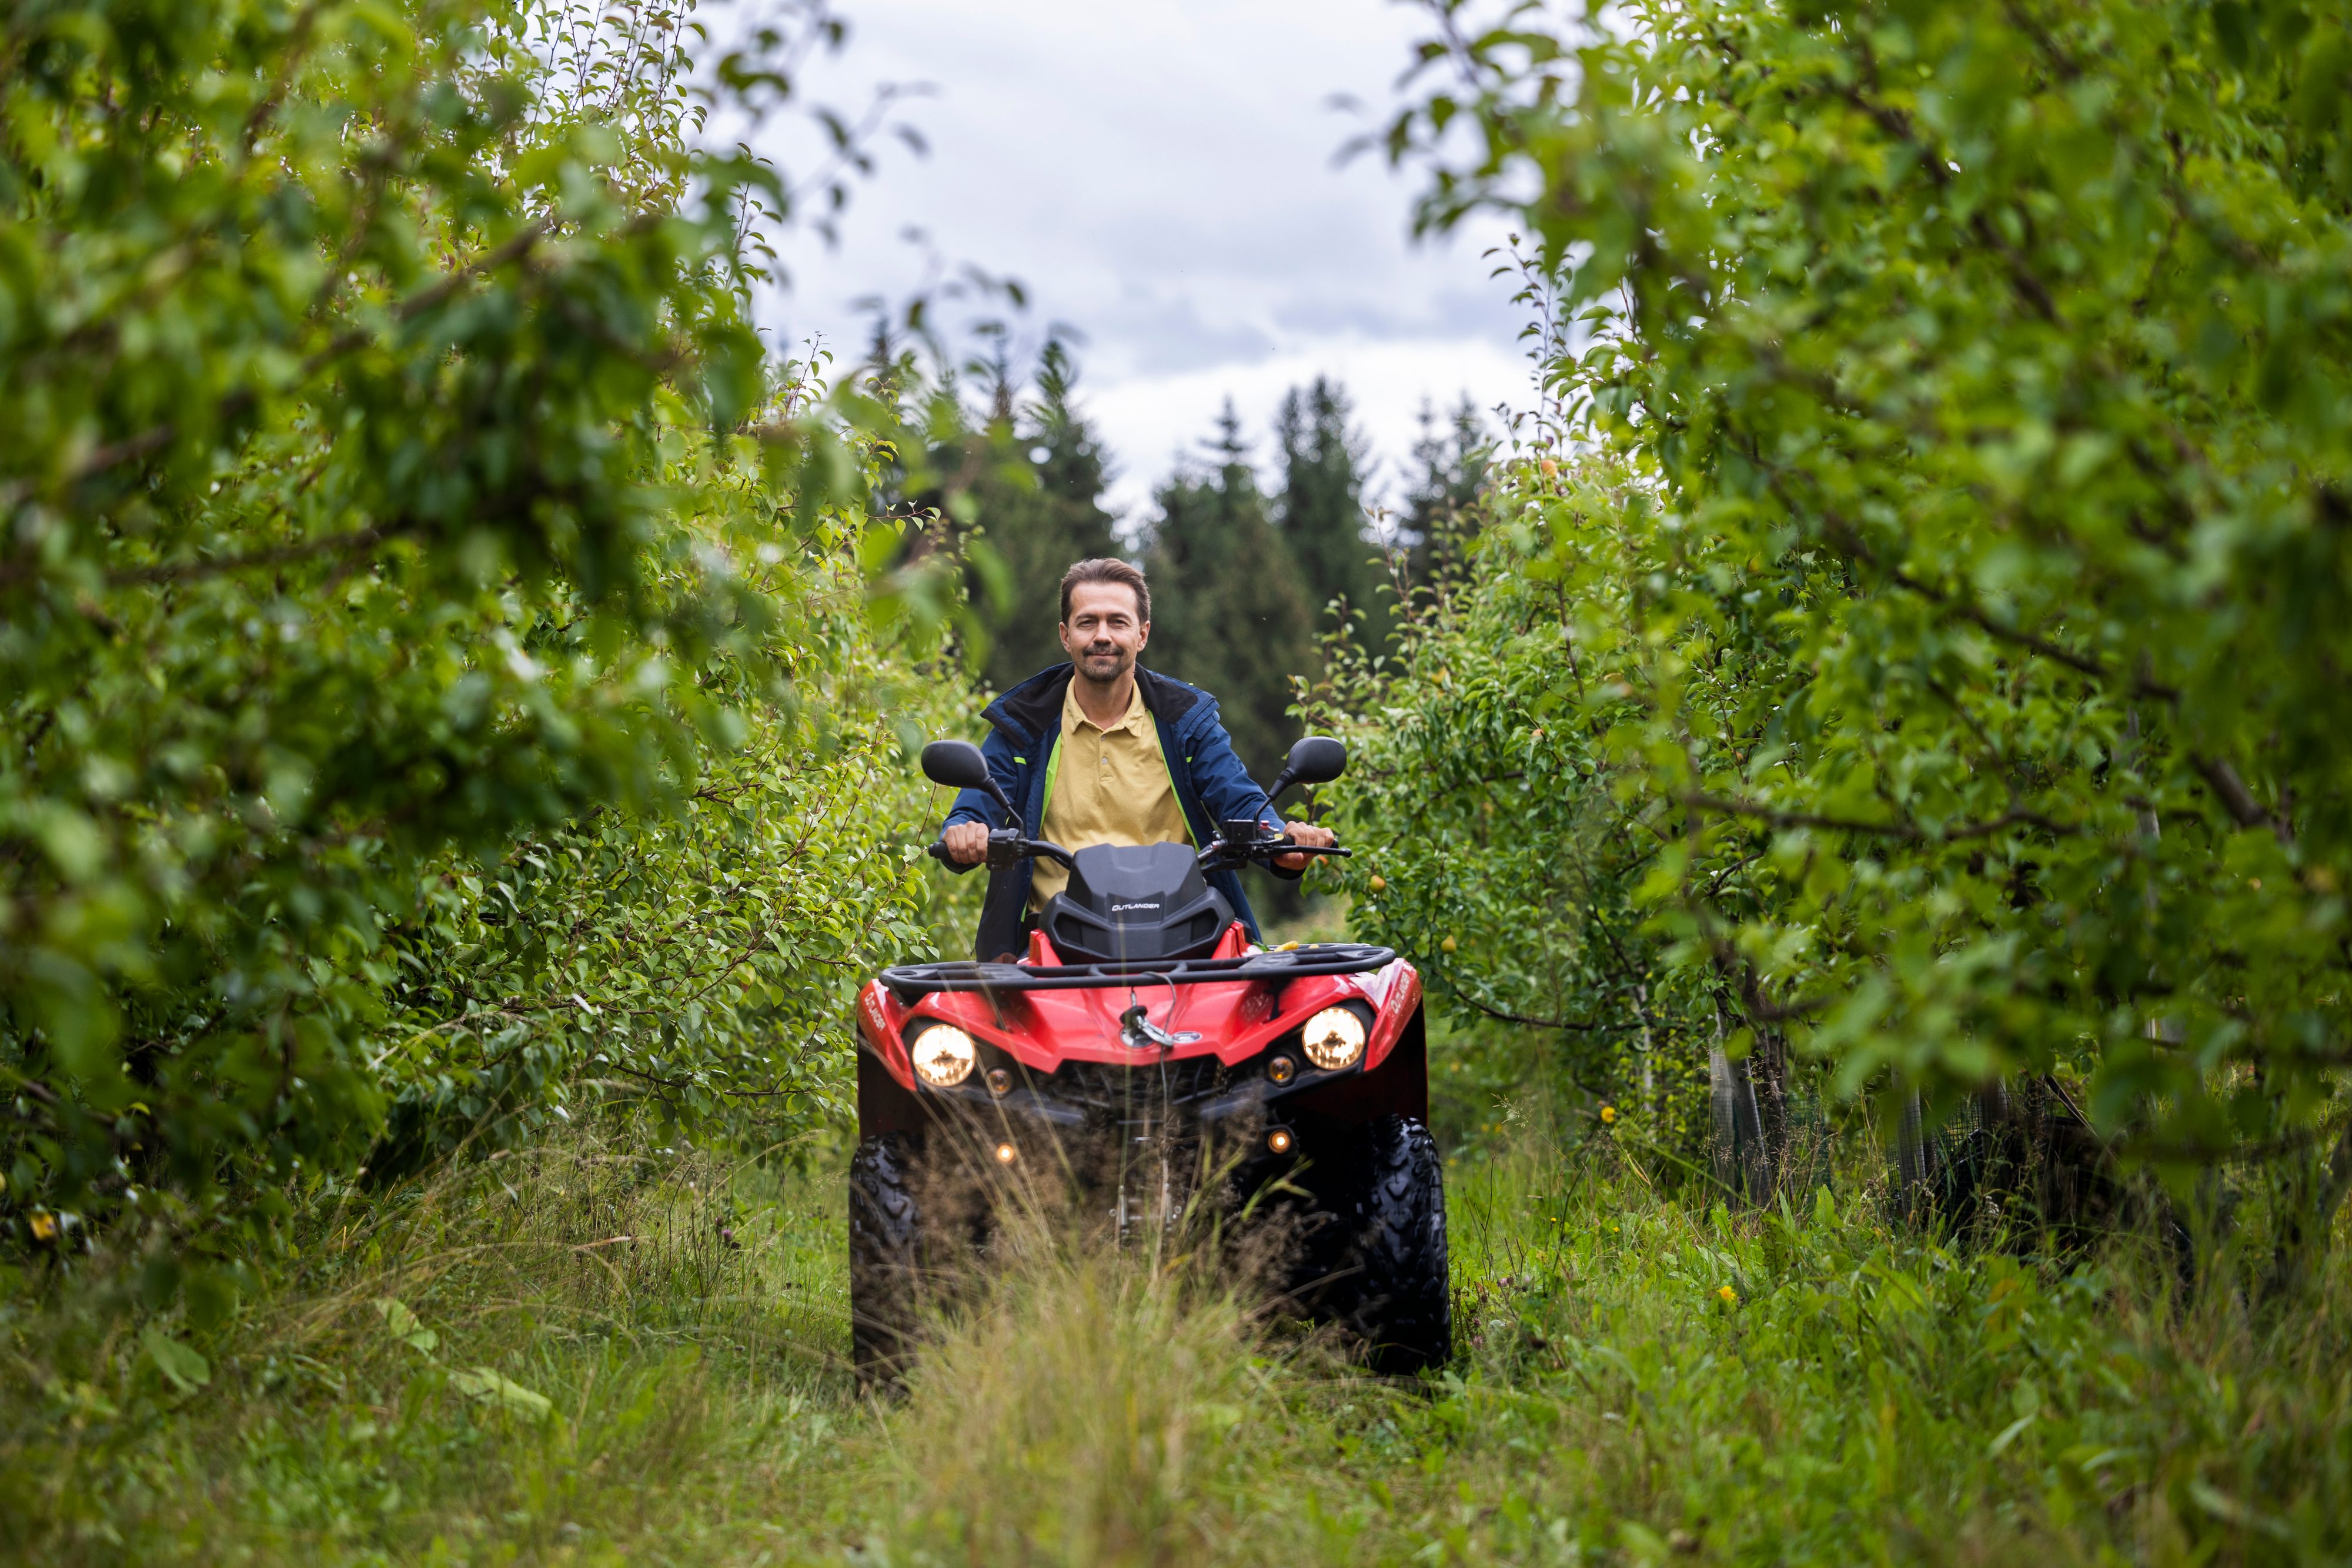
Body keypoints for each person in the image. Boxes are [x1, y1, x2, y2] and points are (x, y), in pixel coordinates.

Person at [939, 557, 1338, 961]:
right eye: (1087, 622)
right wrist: (964, 832)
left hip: (1187, 936)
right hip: (1053, 944)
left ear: (1142, 634)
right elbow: (974, 809)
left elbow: (1239, 799)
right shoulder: (1024, 723)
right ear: (1065, 635)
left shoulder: (1185, 720)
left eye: (1118, 622)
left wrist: (1283, 840)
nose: (1102, 636)